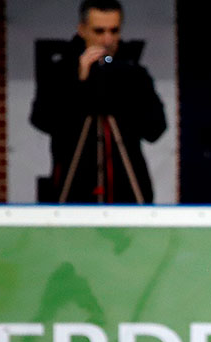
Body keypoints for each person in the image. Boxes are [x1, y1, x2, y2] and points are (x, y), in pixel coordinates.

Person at [31, 0, 166, 203]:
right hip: (75, 187)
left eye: (114, 31)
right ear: (82, 30)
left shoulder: (133, 73)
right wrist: (80, 83)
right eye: (99, 31)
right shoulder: (61, 72)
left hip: (127, 189)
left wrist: (125, 89)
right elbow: (42, 119)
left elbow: (155, 129)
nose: (107, 39)